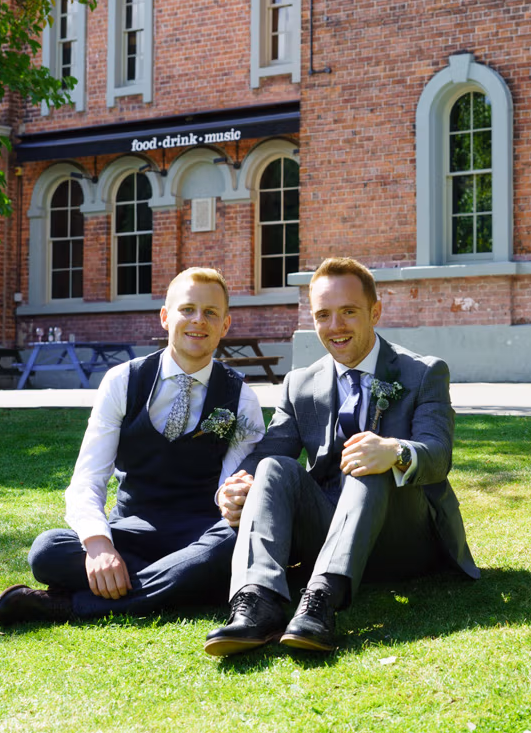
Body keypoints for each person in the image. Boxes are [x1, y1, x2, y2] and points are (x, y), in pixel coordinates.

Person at [203, 257, 478, 656]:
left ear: (375, 312)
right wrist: (233, 489)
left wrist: (394, 451)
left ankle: (321, 602)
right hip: (328, 530)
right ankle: (257, 603)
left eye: (348, 312)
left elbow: (438, 455)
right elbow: (269, 453)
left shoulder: (423, 373)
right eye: (323, 315)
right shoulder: (300, 383)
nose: (335, 327)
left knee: (370, 453)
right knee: (272, 468)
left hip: (403, 537)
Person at [0, 267, 265, 627]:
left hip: (200, 534)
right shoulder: (123, 380)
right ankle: (182, 583)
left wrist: (232, 498)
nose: (198, 320)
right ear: (166, 317)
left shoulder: (241, 398)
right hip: (132, 532)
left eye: (211, 313)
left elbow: (230, 487)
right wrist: (99, 546)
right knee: (48, 551)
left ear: (225, 326)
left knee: (229, 548)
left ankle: (69, 606)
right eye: (187, 309)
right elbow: (88, 479)